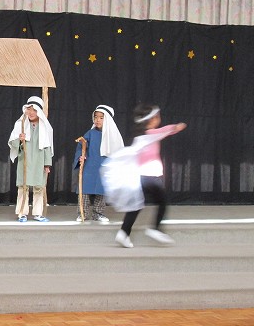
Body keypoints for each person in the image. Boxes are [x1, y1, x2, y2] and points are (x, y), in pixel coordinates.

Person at [111, 104, 186, 248]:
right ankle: (155, 229)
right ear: (151, 120)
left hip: (139, 178)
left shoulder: (138, 137)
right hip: (150, 178)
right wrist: (176, 127)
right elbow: (165, 131)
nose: (159, 119)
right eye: (157, 117)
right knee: (162, 202)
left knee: (136, 205)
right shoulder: (151, 134)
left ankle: (123, 233)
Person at [72, 105, 124, 223]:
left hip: (104, 167)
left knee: (101, 190)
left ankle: (98, 213)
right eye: (96, 117)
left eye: (101, 118)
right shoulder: (90, 133)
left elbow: (118, 151)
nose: (97, 120)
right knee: (84, 190)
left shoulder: (113, 136)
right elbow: (81, 146)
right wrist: (81, 156)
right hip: (89, 166)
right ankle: (83, 213)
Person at [8, 96, 53, 222]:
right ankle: (22, 213)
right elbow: (13, 144)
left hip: (39, 161)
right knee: (23, 187)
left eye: (34, 110)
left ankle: (38, 213)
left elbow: (47, 146)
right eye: (29, 109)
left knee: (39, 187)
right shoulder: (20, 124)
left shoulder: (44, 127)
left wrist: (47, 164)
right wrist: (20, 139)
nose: (31, 112)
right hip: (25, 160)